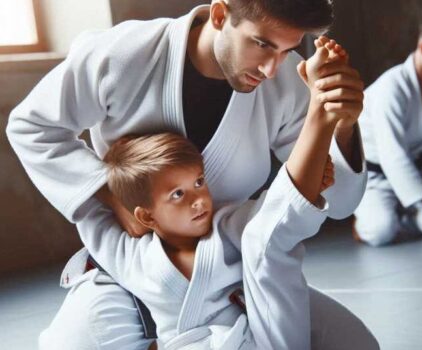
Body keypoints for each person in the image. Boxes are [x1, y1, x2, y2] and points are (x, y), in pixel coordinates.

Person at [7, 1, 367, 349]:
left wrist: (343, 127)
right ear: (219, 14)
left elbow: (339, 202)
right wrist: (112, 194)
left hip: (235, 269)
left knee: (354, 343)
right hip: (137, 267)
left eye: (289, 49)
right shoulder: (124, 53)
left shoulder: (288, 81)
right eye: (261, 43)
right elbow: (31, 127)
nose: (271, 69)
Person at [354, 12, 422, 247]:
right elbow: (392, 154)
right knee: (380, 231)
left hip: (417, 171)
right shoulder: (392, 87)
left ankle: (406, 214)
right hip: (377, 175)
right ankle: (365, 222)